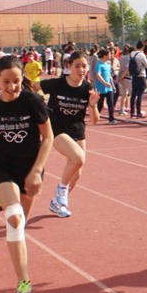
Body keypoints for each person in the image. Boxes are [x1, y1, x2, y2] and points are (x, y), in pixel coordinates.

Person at [0, 55, 54, 293]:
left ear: (23, 80)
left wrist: (37, 171)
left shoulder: (33, 102)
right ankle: (24, 282)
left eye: (16, 81)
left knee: (20, 221)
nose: (11, 87)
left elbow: (48, 137)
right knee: (15, 219)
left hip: (30, 168)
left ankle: (7, 201)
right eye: (6, 82)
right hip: (3, 167)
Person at [40, 52, 99, 218]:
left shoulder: (88, 89)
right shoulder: (57, 84)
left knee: (77, 173)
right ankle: (61, 190)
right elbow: (33, 87)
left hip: (77, 131)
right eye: (77, 66)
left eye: (84, 66)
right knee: (78, 158)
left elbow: (95, 121)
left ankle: (57, 204)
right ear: (68, 66)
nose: (81, 70)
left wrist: (93, 106)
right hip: (56, 129)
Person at [93, 48, 116, 125]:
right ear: (105, 56)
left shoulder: (107, 64)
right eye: (109, 54)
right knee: (100, 104)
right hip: (101, 88)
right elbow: (98, 75)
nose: (110, 55)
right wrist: (105, 83)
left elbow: (109, 76)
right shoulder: (99, 64)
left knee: (111, 104)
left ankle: (111, 119)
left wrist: (113, 85)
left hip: (109, 88)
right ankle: (95, 116)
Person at [128, 41, 147, 117]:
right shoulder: (141, 55)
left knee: (133, 95)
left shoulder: (131, 54)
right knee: (140, 95)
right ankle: (138, 112)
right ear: (143, 47)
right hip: (141, 75)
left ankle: (132, 112)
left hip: (134, 76)